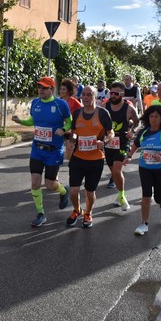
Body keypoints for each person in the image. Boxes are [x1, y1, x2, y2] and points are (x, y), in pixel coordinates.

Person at [12, 76, 71, 227]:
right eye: (39, 87)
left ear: (52, 89)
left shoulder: (61, 104)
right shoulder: (35, 103)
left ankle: (64, 191)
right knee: (35, 182)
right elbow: (33, 120)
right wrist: (21, 122)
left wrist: (63, 129)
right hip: (37, 149)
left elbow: (70, 121)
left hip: (54, 150)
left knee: (50, 185)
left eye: (44, 88)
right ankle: (41, 213)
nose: (41, 90)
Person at [123, 105, 161, 236]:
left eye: (156, 116)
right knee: (146, 196)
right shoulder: (143, 132)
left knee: (158, 197)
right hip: (145, 167)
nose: (153, 119)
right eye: (151, 116)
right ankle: (144, 224)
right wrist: (129, 156)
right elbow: (136, 144)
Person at [65, 86, 114, 228]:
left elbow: (111, 133)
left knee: (90, 191)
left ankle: (88, 212)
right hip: (78, 157)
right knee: (73, 191)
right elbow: (74, 131)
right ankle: (76, 210)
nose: (85, 97)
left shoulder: (103, 113)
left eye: (89, 95)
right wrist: (72, 140)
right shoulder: (77, 113)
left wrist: (103, 142)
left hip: (95, 160)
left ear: (95, 97)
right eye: (83, 95)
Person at [104, 81, 139, 210]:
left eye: (116, 93)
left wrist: (132, 131)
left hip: (123, 142)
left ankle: (122, 197)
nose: (112, 95)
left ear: (122, 94)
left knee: (117, 171)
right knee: (113, 171)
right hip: (109, 142)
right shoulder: (105, 106)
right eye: (111, 93)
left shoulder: (129, 108)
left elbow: (137, 122)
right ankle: (119, 195)